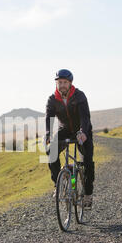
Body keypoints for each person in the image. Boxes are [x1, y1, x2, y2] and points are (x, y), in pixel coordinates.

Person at [44, 69, 95, 209]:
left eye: (65, 82)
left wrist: (83, 132)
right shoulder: (52, 99)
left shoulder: (79, 96)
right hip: (65, 130)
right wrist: (48, 133)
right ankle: (58, 184)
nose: (62, 85)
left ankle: (88, 194)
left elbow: (85, 117)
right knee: (51, 150)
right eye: (59, 82)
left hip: (81, 130)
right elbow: (49, 118)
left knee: (88, 162)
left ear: (70, 83)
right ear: (56, 83)